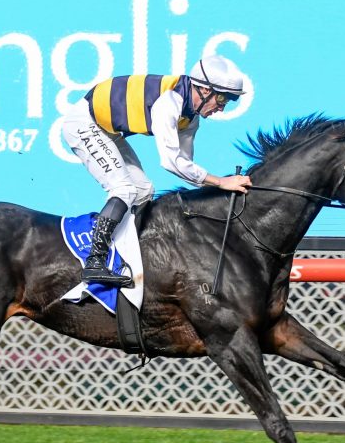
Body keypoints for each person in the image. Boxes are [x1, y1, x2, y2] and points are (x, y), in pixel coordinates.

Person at [61, 55, 254, 287]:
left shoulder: (190, 119)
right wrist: (221, 182)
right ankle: (94, 261)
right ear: (204, 89)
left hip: (105, 130)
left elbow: (186, 165)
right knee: (123, 189)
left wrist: (218, 183)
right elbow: (171, 162)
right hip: (84, 124)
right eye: (221, 98)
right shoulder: (168, 103)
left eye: (228, 101)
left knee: (144, 190)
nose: (221, 108)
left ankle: (122, 255)